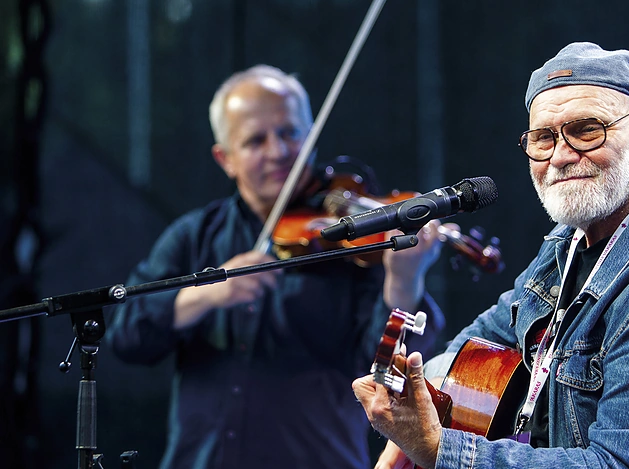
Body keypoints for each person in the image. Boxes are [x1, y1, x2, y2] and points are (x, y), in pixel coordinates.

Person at [353, 42, 629, 468]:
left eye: (586, 130)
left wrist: (437, 448)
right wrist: (424, 400)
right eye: (543, 137)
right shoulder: (572, 238)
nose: (560, 156)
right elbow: (488, 336)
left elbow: (619, 465)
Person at [107, 65, 445, 469]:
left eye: (290, 133)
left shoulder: (351, 238)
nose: (278, 151)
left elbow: (387, 374)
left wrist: (403, 280)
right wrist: (206, 295)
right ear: (225, 158)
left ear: (311, 137)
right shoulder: (194, 236)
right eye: (256, 140)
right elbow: (127, 337)